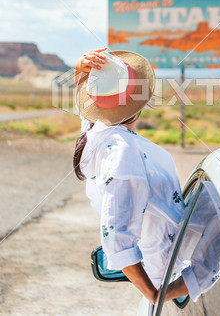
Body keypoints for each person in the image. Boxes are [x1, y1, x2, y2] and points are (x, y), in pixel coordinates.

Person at [73, 48, 189, 304]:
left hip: (172, 271)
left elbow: (88, 115)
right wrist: (157, 296)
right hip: (170, 276)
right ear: (142, 99)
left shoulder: (97, 134)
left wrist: (81, 74)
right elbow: (117, 241)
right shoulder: (124, 153)